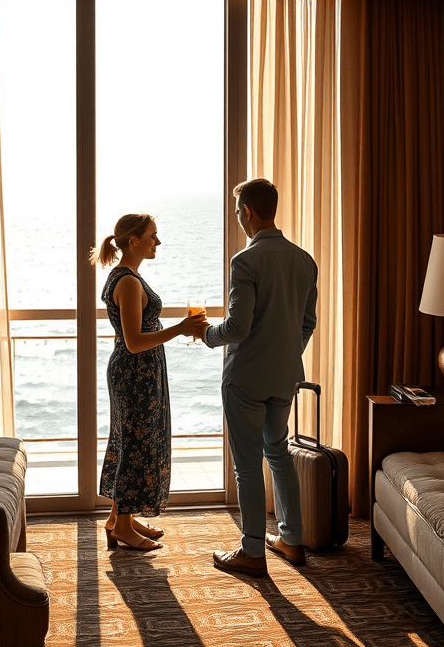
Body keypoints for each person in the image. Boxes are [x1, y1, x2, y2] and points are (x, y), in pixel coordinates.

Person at [200, 178, 318, 577]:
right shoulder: (304, 260)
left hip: (247, 378)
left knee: (248, 467)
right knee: (278, 453)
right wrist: (286, 355)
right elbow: (307, 323)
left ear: (248, 212)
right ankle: (292, 539)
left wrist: (204, 335)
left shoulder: (244, 261)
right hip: (286, 376)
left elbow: (237, 328)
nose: (238, 219)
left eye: (238, 212)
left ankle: (252, 551)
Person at [90, 214, 209, 551]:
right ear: (133, 241)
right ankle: (123, 527)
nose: (157, 242)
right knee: (135, 444)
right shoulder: (127, 281)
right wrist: (182, 328)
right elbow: (133, 341)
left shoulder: (129, 276)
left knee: (131, 440)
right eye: (152, 236)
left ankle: (118, 519)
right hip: (133, 372)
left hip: (141, 371)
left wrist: (177, 329)